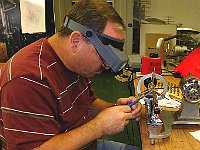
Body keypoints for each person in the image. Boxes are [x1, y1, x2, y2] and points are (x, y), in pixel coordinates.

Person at [0, 0, 142, 149]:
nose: (106, 67)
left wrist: (113, 109)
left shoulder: (74, 64)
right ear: (76, 41)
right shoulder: (28, 78)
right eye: (103, 58)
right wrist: (100, 126)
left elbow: (88, 103)